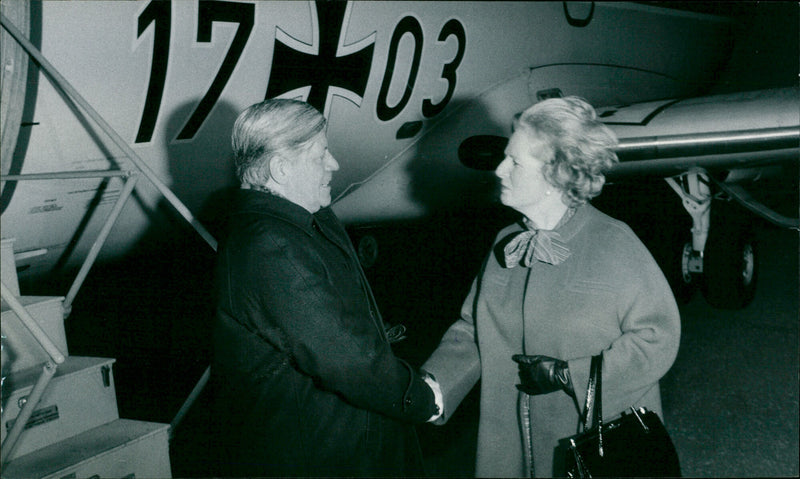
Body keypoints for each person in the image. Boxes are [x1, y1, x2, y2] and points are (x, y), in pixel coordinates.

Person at [421, 96, 681, 477]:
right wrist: (432, 388)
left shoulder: (613, 243)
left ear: (555, 175)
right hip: (509, 447)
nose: (499, 170)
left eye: (515, 162)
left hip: (594, 449)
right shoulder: (506, 243)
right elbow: (476, 330)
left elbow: (657, 337)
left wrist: (569, 375)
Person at [210, 99, 438, 477]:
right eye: (320, 155)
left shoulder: (299, 220)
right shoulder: (271, 245)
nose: (333, 164)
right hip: (320, 457)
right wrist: (420, 397)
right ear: (280, 169)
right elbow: (344, 358)